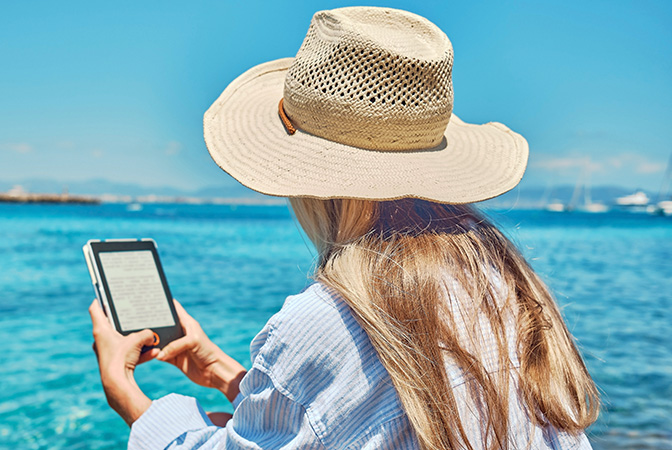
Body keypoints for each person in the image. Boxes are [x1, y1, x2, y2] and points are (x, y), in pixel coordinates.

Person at [89, 7, 599, 449]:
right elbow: (359, 415)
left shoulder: (328, 319)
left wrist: (126, 392)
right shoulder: (504, 283)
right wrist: (220, 370)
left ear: (309, 178)